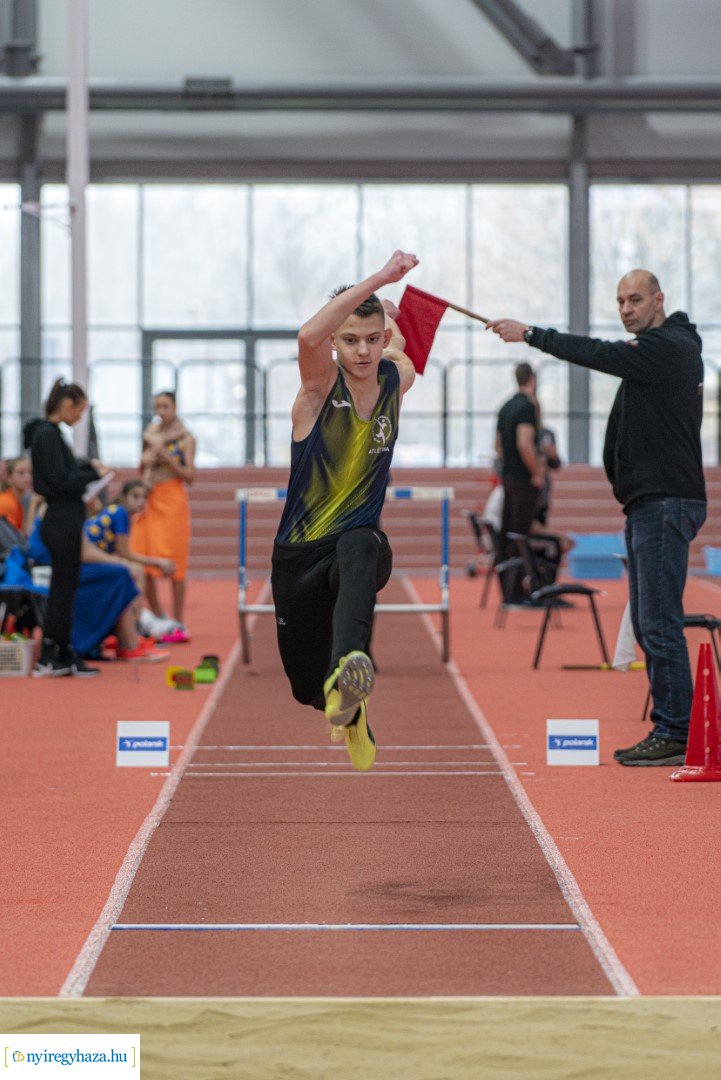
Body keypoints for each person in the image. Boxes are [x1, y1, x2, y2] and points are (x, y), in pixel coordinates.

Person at [487, 269, 707, 766]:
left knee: (658, 621)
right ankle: (674, 727)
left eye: (635, 299)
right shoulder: (654, 354)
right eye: (619, 301)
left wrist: (532, 335)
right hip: (650, 503)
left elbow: (599, 354)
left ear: (658, 301)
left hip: (666, 502)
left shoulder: (669, 346)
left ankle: (676, 730)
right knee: (653, 621)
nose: (626, 309)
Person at [272, 249, 419, 772]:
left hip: (354, 553)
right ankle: (345, 705)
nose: (362, 352)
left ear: (384, 339)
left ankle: (349, 668)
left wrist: (394, 328)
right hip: (298, 563)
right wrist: (381, 278)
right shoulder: (317, 390)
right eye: (350, 340)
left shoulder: (393, 384)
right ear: (335, 342)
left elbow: (404, 358)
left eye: (372, 340)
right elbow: (306, 338)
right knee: (306, 691)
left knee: (362, 541)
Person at [22, 378, 109, 677]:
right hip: (60, 520)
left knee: (66, 588)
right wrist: (91, 473)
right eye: (80, 411)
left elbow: (66, 474)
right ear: (67, 405)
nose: (80, 418)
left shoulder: (53, 435)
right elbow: (60, 480)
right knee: (61, 590)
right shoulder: (46, 435)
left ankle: (61, 650)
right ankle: (51, 653)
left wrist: (86, 471)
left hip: (66, 518)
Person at [131, 390, 195, 642]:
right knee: (142, 557)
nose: (161, 411)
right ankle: (159, 615)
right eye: (157, 406)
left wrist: (166, 456)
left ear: (175, 407)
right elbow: (142, 467)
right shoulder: (150, 433)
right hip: (149, 499)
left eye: (166, 406)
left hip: (173, 499)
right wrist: (148, 457)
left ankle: (179, 619)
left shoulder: (186, 438)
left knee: (175, 562)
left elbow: (190, 476)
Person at [494, 362, 543, 602]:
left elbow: (498, 445)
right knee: (520, 537)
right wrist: (536, 473)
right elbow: (525, 444)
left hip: (509, 478)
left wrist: (509, 468)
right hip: (522, 481)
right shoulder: (526, 407)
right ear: (532, 380)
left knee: (508, 534)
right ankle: (518, 593)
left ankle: (509, 591)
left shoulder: (505, 407)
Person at [0, 457, 33, 533]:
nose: (28, 478)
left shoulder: (16, 501)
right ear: (9, 478)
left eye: (31, 472)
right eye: (21, 473)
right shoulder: (6, 503)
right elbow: (14, 541)